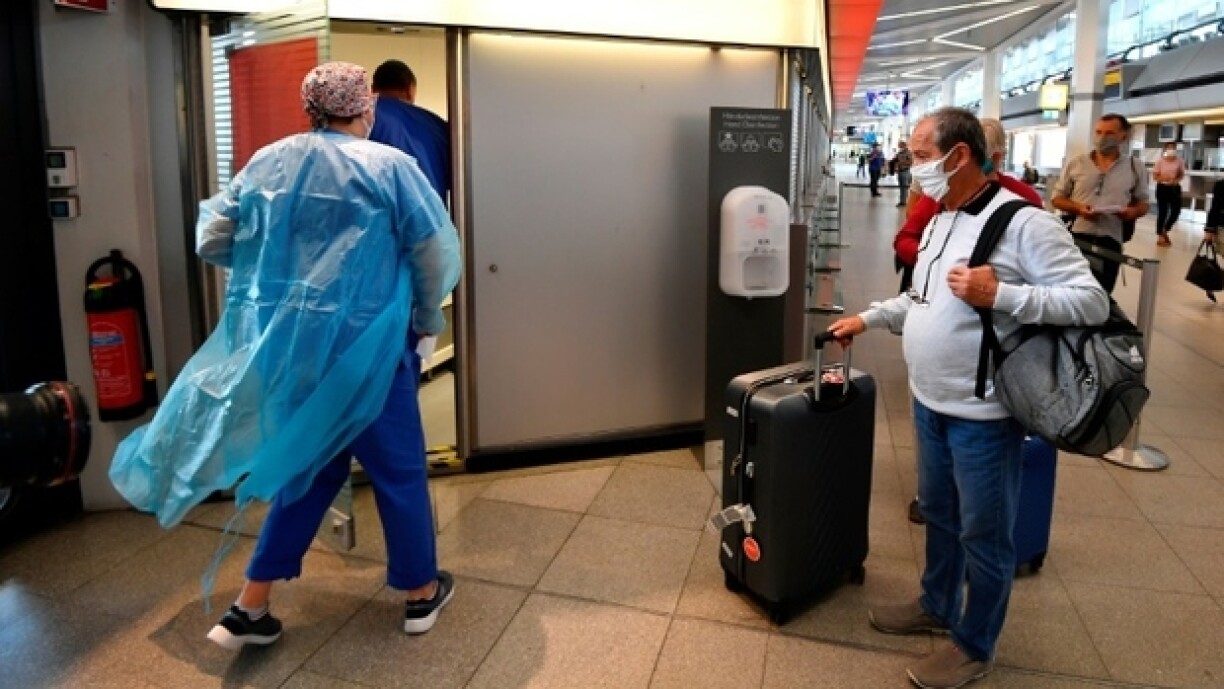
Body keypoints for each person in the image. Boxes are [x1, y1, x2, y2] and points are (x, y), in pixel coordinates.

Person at [829, 107, 1108, 689]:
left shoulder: (1025, 222)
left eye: (923, 154)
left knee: (985, 531)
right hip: (930, 402)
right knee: (940, 512)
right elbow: (922, 300)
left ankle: (975, 643)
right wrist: (871, 318)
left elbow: (1090, 302)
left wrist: (1004, 294)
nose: (913, 164)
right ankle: (937, 602)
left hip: (984, 413)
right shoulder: (939, 220)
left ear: (960, 155)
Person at [194, 62, 463, 649]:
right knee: (397, 471)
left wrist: (277, 274)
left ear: (311, 108)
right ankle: (420, 593)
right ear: (365, 106)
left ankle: (251, 605)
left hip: (294, 351)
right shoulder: (391, 167)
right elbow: (433, 255)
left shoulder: (269, 162)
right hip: (369, 349)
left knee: (307, 468)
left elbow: (213, 237)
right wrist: (424, 319)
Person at [1050, 113, 1150, 293]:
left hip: (1111, 240)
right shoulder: (1077, 164)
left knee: (1102, 293)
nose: (1102, 138)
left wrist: (1132, 212)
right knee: (1069, 290)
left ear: (1123, 136)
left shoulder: (1135, 167)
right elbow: (1057, 198)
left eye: (1109, 133)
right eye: (1098, 132)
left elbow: (1144, 203)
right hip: (1076, 237)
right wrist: (1079, 209)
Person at [370, 59, 452, 204]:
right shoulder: (438, 126)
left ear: (372, 89)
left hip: (376, 219)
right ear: (410, 90)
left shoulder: (360, 120)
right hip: (430, 219)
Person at [1152, 142, 1186, 247]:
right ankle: (1160, 235)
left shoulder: (1179, 161)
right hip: (1162, 188)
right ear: (1165, 149)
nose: (1171, 150)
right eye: (1169, 148)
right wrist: (1164, 178)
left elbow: (1181, 173)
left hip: (1174, 188)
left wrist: (1176, 180)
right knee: (1163, 211)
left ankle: (1165, 229)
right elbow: (1155, 176)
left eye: (1173, 148)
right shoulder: (1160, 161)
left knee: (1176, 211)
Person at [1205, 178, 1224, 302]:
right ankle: (1212, 282)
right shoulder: (1221, 185)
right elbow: (1215, 207)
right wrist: (1209, 229)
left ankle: (1212, 283)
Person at [894, 141, 914, 208]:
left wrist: (901, 162)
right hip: (900, 171)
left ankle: (904, 202)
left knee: (905, 187)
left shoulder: (908, 153)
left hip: (906, 171)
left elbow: (911, 162)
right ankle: (902, 201)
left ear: (904, 146)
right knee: (901, 187)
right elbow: (895, 160)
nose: (899, 147)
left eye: (900, 145)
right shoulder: (899, 153)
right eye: (899, 145)